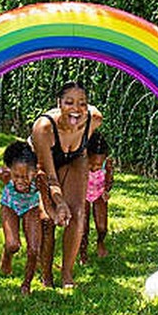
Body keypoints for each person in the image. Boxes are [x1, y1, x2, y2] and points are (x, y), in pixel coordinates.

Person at [30, 81, 103, 288]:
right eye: (69, 102)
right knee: (47, 218)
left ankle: (67, 274)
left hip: (76, 158)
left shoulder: (94, 119)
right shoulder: (43, 128)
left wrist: (67, 203)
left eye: (82, 103)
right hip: (45, 164)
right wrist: (58, 201)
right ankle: (46, 274)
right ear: (58, 103)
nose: (76, 109)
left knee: (78, 213)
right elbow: (49, 175)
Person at [0, 140, 52, 294]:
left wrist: (49, 213)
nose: (20, 181)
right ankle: (7, 253)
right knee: (13, 245)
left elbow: (45, 200)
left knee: (33, 250)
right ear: (10, 170)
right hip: (9, 205)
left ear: (34, 171)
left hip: (31, 207)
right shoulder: (5, 174)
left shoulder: (40, 179)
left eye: (25, 177)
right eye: (16, 176)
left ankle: (26, 284)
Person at [79, 131, 114, 264]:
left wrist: (106, 190)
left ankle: (100, 241)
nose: (94, 168)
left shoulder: (107, 163)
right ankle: (83, 252)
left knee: (102, 226)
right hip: (83, 194)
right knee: (83, 227)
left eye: (98, 165)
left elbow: (109, 178)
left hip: (99, 194)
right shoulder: (82, 160)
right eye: (91, 164)